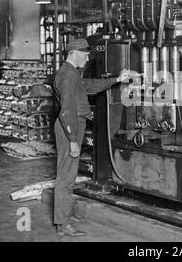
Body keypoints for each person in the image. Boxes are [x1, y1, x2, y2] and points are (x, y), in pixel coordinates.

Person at [53, 38, 129, 237]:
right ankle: (62, 225)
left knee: (67, 174)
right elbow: (66, 111)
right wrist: (72, 140)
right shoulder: (67, 77)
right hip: (70, 126)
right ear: (75, 53)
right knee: (66, 176)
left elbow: (91, 85)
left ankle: (64, 215)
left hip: (74, 125)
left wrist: (117, 79)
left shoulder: (72, 74)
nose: (87, 59)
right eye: (85, 55)